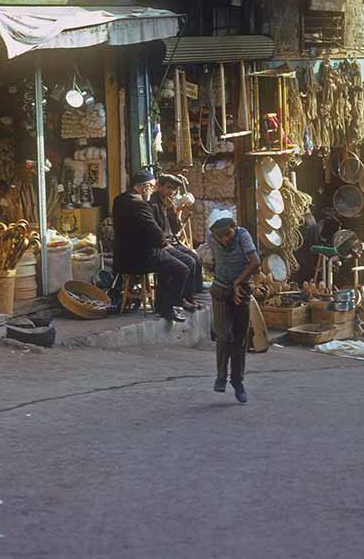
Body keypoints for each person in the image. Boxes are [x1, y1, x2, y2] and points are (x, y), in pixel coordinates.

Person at [111, 170, 189, 323]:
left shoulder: (120, 199)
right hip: (140, 255)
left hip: (123, 255)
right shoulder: (139, 204)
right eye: (152, 187)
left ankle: (163, 305)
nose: (153, 191)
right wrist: (165, 245)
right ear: (144, 187)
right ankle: (169, 306)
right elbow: (152, 228)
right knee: (181, 268)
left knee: (171, 263)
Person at [207, 211, 260, 404]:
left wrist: (238, 283)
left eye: (228, 234)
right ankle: (221, 376)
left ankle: (238, 382)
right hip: (221, 291)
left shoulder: (243, 236)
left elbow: (255, 262)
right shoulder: (211, 239)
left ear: (234, 229)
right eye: (220, 236)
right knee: (223, 335)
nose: (225, 239)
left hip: (242, 293)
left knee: (239, 338)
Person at [151, 174, 204, 313]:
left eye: (173, 189)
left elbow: (175, 229)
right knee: (188, 262)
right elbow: (156, 229)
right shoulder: (153, 203)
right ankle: (180, 299)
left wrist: (172, 211)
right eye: (168, 188)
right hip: (161, 243)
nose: (171, 192)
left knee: (196, 259)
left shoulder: (169, 203)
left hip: (173, 241)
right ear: (159, 186)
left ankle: (190, 296)